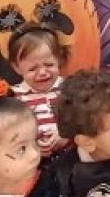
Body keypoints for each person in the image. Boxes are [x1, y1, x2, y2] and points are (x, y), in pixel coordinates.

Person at [9, 23, 69, 158]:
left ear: (59, 59)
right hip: (32, 162)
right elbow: (10, 134)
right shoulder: (14, 97)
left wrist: (67, 136)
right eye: (32, 69)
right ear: (17, 67)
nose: (42, 72)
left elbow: (83, 122)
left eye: (49, 64)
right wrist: (31, 147)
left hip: (70, 159)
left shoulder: (69, 89)